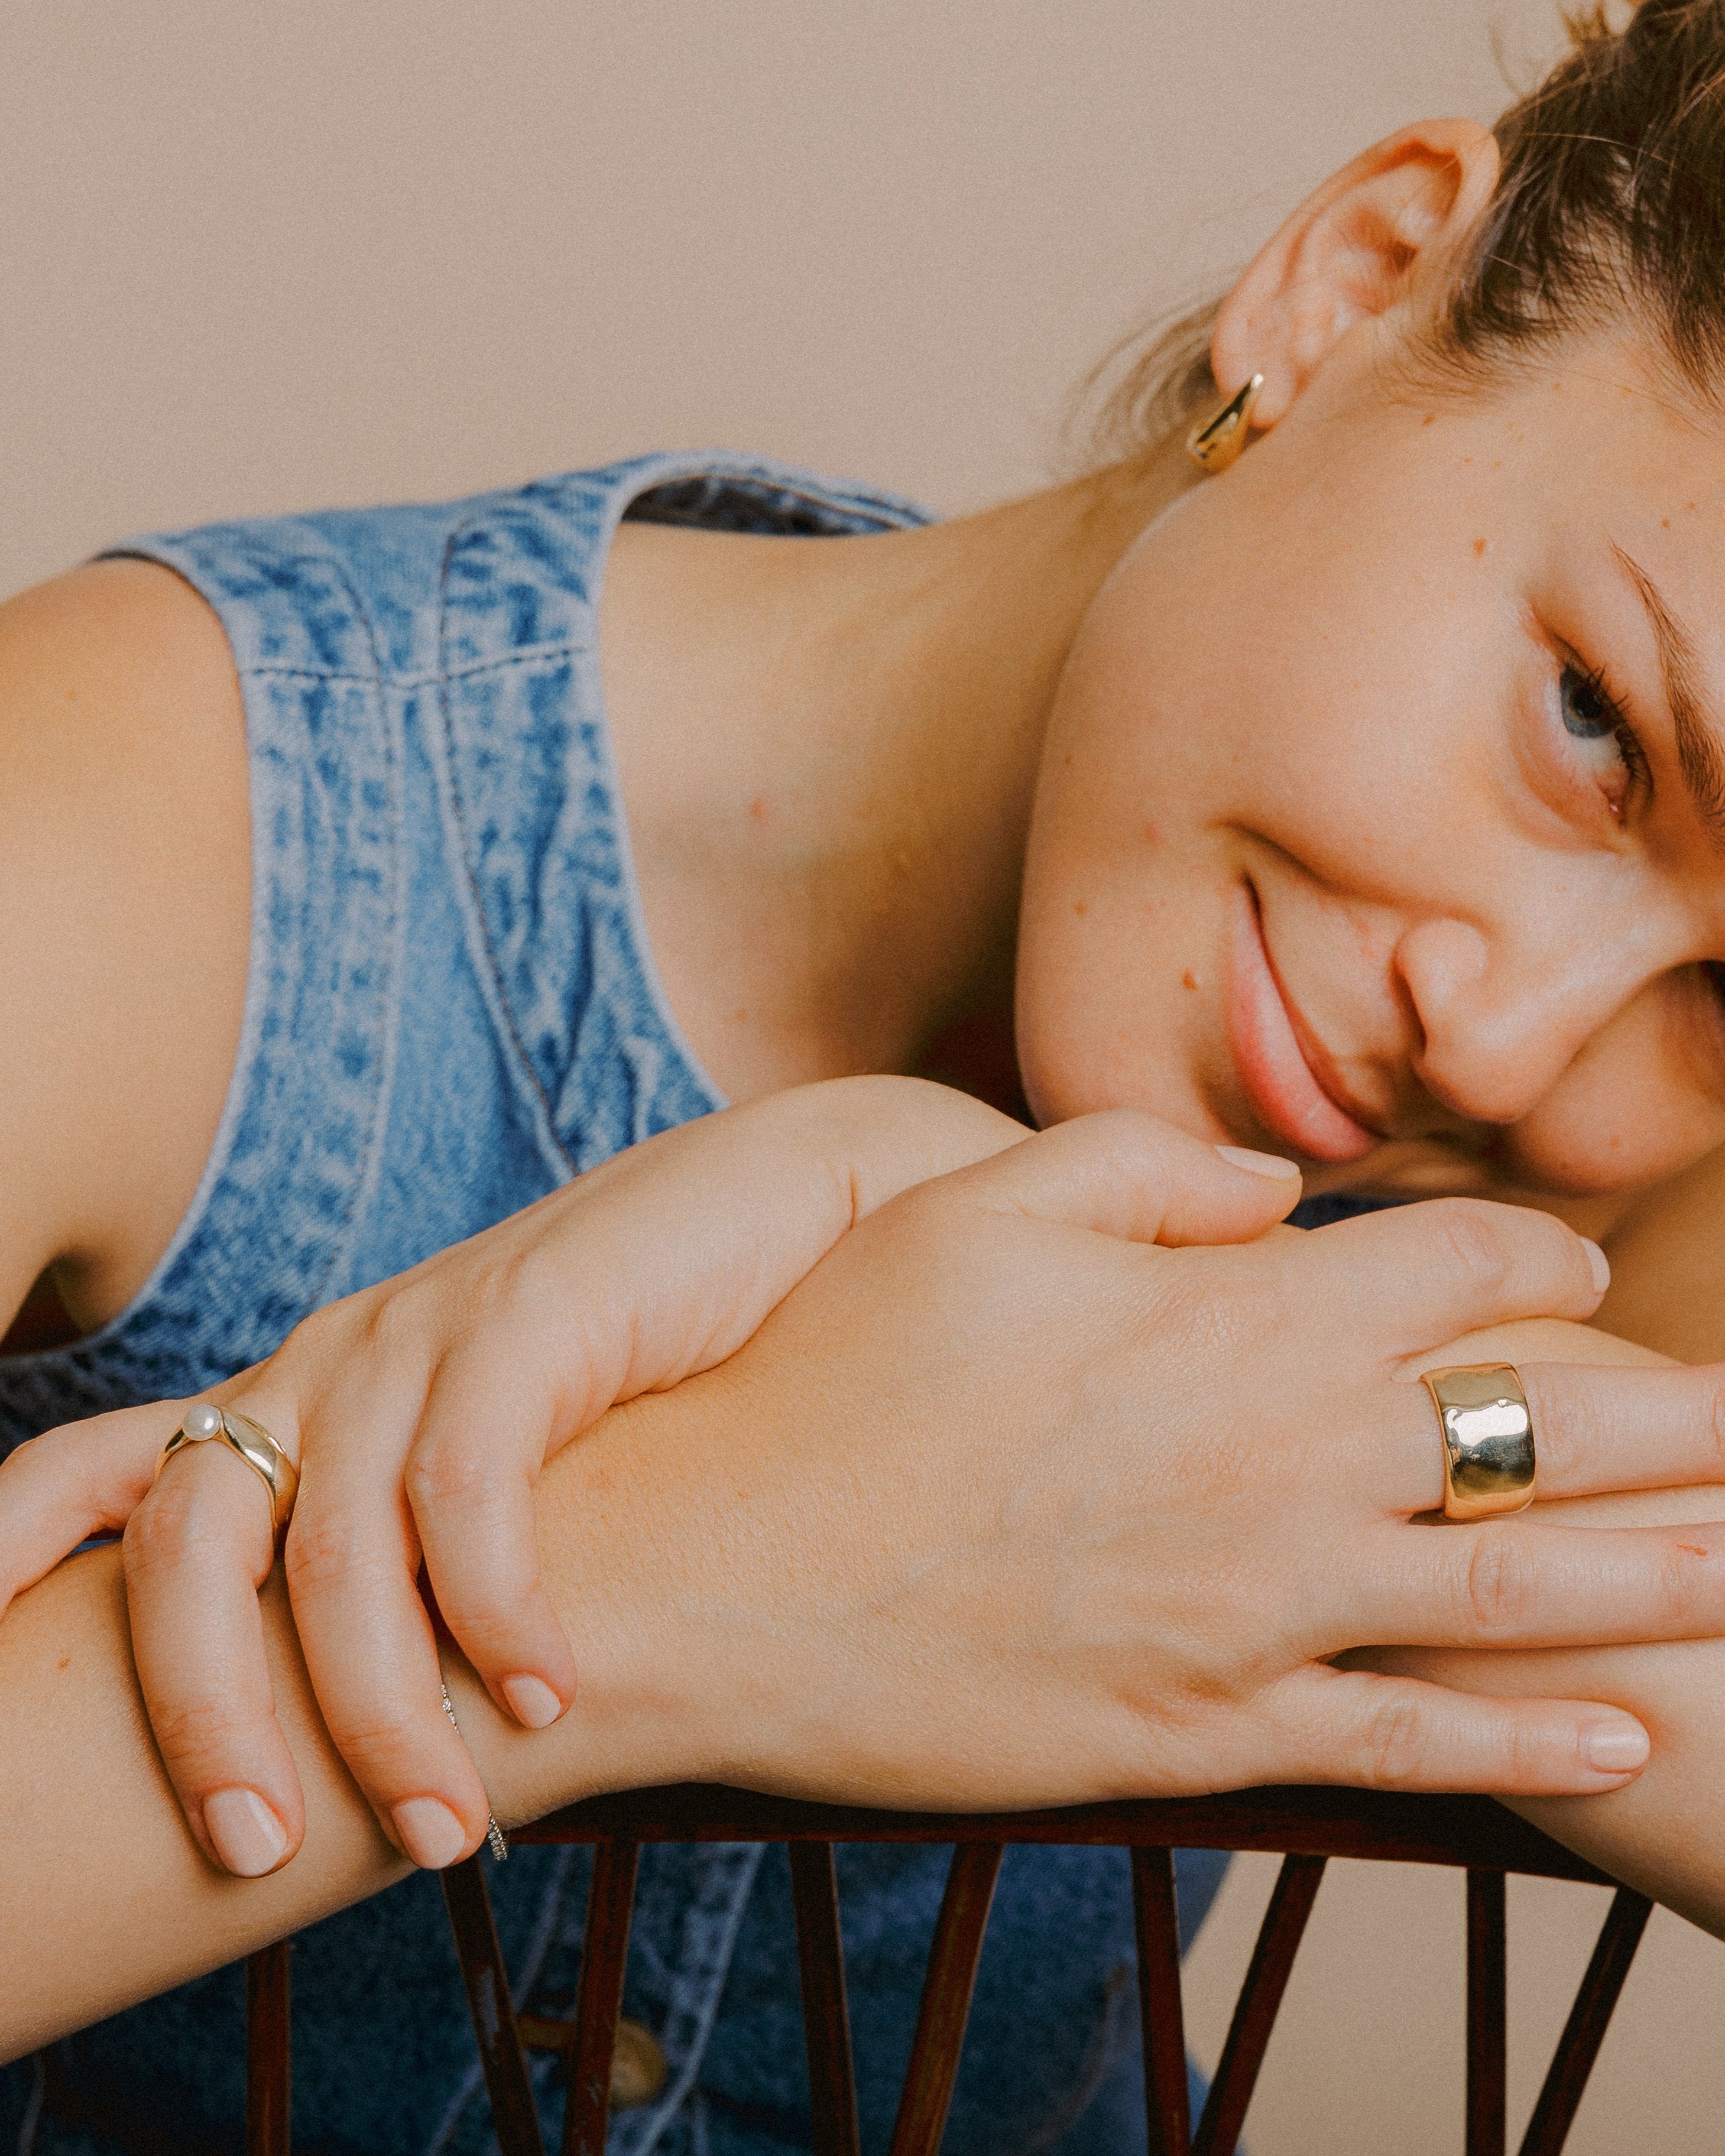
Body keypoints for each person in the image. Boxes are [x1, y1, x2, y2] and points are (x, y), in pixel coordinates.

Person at [10, 0, 1725, 2145]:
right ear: (1359, 281)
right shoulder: (139, 830)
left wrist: (919, 1214)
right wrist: (682, 1548)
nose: (1511, 1038)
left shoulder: (1608, 1207)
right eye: (1593, 722)